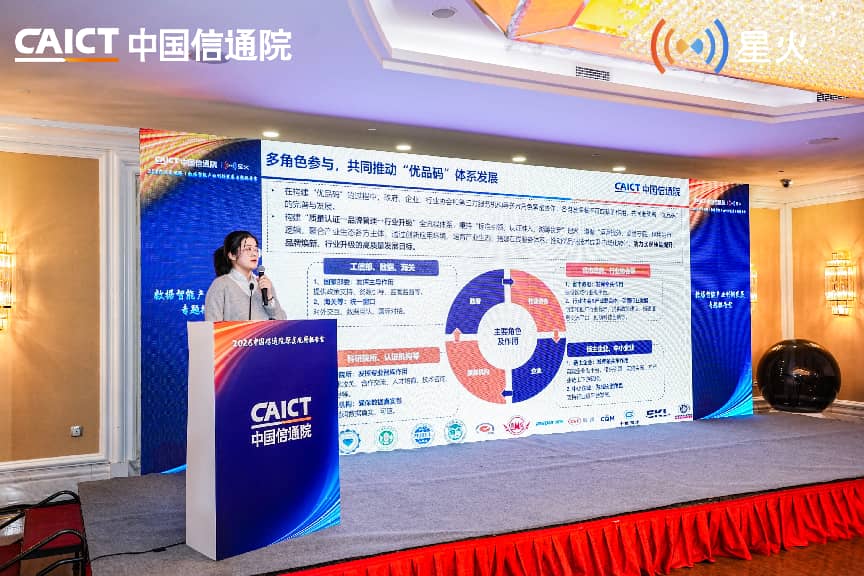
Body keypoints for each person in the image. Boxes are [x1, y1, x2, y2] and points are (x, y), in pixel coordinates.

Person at [204, 230, 287, 321]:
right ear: (232, 255)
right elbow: (212, 325)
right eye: (248, 249)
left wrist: (269, 297)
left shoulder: (263, 284)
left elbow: (282, 322)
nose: (254, 254)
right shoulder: (221, 285)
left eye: (256, 249)